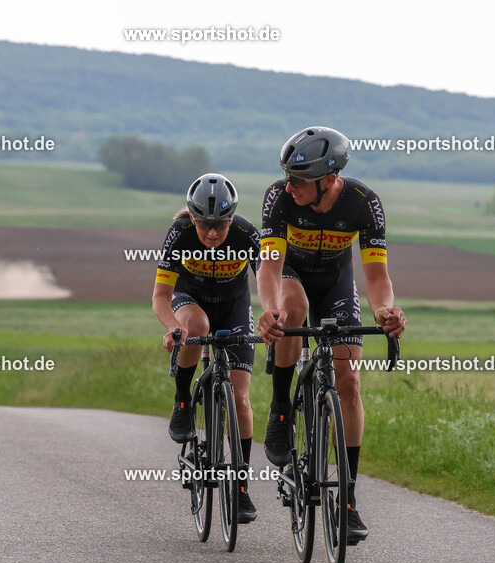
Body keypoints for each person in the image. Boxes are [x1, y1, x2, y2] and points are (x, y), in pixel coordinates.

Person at [257, 126, 406, 542]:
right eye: (287, 176)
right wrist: (269, 311)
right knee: (294, 308)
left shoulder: (363, 203)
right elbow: (268, 266)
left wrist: (384, 311)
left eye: (299, 180)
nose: (290, 187)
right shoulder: (278, 199)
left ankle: (349, 500)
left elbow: (377, 275)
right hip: (291, 274)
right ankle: (282, 407)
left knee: (349, 379)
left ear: (330, 178)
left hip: (337, 281)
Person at [152, 172, 260, 523]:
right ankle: (182, 400)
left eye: (220, 224)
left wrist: (275, 317)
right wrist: (172, 328)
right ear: (193, 218)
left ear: (232, 219)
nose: (212, 233)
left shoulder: (246, 234)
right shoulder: (180, 234)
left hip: (234, 305)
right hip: (191, 300)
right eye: (205, 224)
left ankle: (240, 486)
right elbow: (160, 297)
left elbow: (271, 281)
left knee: (241, 398)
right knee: (195, 327)